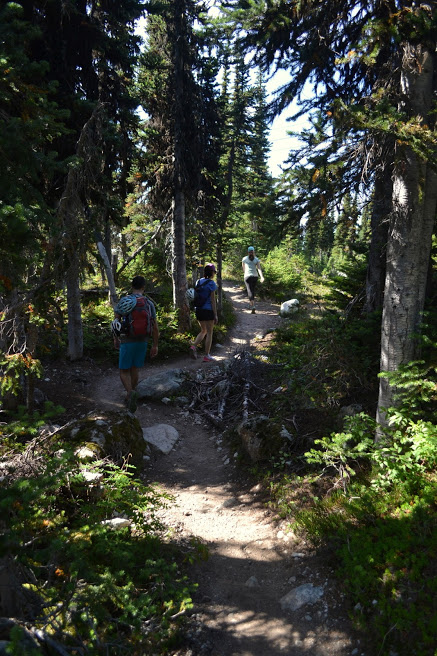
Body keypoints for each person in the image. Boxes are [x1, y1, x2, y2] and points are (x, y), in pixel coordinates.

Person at [113, 275, 159, 412]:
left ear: (132, 286)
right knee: (135, 368)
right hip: (143, 340)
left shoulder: (125, 301)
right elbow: (155, 326)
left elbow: (116, 322)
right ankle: (131, 392)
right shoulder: (149, 303)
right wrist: (155, 344)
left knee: (123, 370)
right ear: (143, 287)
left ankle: (129, 393)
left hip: (127, 339)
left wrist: (115, 338)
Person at [189, 263, 218, 362]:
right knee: (209, 332)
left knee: (203, 330)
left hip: (198, 309)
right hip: (208, 310)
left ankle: (193, 346)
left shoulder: (198, 281)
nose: (214, 273)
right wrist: (215, 314)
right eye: (214, 271)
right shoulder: (211, 284)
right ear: (212, 273)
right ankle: (207, 355)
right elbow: (213, 300)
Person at [242, 246, 264, 313]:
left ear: (248, 252)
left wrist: (245, 273)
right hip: (255, 276)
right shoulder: (256, 259)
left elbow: (243, 268)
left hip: (247, 276)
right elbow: (259, 269)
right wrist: (262, 277)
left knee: (249, 290)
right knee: (252, 290)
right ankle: (251, 304)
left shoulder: (244, 259)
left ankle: (253, 306)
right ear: (253, 252)